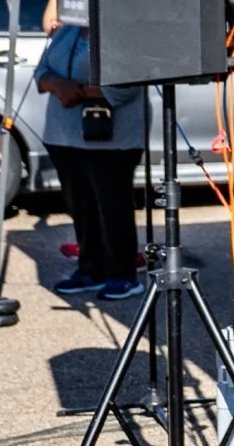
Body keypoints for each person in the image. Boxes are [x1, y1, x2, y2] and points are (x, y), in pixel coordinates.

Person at [32, 22, 147, 299]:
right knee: (81, 207)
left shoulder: (121, 31)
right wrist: (59, 84)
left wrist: (78, 90)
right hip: (63, 136)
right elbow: (40, 73)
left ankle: (122, 275)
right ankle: (89, 270)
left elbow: (127, 86)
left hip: (112, 137)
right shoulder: (66, 31)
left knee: (113, 207)